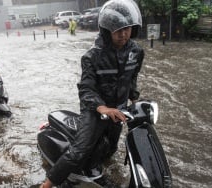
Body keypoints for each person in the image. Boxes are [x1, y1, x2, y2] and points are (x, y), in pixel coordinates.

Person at [40, 0, 144, 187]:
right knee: (78, 152)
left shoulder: (136, 51)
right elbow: (86, 89)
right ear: (106, 30)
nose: (123, 34)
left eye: (128, 28)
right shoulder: (92, 56)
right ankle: (46, 184)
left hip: (119, 109)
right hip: (94, 109)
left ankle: (94, 171)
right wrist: (103, 108)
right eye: (118, 30)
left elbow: (132, 76)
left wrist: (134, 97)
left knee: (111, 148)